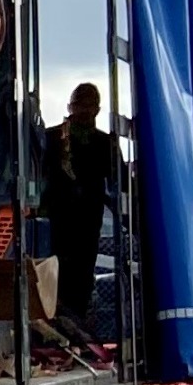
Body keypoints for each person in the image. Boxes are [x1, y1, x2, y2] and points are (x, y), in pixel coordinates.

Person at [44, 82, 118, 323]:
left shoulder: (106, 143)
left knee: (82, 279)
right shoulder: (52, 138)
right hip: (56, 222)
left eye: (89, 105)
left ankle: (77, 326)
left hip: (88, 224)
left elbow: (120, 183)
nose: (84, 110)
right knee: (52, 276)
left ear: (97, 109)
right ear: (70, 106)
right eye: (79, 104)